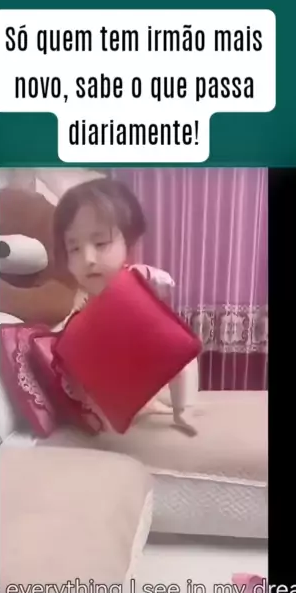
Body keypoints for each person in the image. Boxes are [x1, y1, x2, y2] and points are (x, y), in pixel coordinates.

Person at [52, 177, 196, 435]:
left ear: (129, 243)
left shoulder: (135, 278)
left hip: (135, 349)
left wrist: (151, 280)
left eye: (101, 243)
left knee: (182, 352)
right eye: (74, 248)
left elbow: (148, 281)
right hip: (103, 367)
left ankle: (181, 411)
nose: (88, 258)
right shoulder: (78, 299)